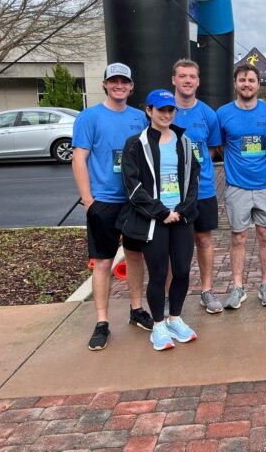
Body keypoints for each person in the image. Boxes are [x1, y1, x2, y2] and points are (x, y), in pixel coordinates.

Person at [72, 63, 152, 351]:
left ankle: (136, 310)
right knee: (103, 262)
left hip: (134, 201)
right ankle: (102, 322)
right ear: (105, 84)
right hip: (103, 201)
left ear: (131, 87)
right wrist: (88, 200)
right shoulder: (89, 117)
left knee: (134, 256)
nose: (119, 86)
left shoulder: (139, 118)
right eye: (114, 81)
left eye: (124, 82)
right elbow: (79, 158)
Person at [118, 89, 200, 351]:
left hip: (181, 218)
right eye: (161, 109)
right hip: (154, 219)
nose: (166, 114)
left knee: (183, 271)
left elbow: (193, 180)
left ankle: (174, 318)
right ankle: (158, 325)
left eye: (170, 110)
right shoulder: (135, 143)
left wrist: (182, 210)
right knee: (158, 273)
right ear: (149, 111)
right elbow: (132, 186)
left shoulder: (183, 141)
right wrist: (162, 212)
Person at [217, 64, 266, 310]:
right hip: (236, 187)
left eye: (251, 80)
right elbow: (220, 146)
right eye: (242, 80)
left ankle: (265, 285)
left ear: (258, 84)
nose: (247, 84)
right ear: (235, 83)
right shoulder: (223, 113)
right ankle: (238, 287)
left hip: (265, 186)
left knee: (265, 236)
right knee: (238, 237)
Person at [170, 59, 223, 313]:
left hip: (202, 190)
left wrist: (193, 172)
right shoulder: (165, 110)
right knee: (173, 243)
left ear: (198, 81)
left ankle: (207, 290)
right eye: (183, 76)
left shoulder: (208, 114)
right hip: (171, 193)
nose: (187, 80)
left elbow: (211, 149)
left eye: (192, 76)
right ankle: (171, 296)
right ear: (174, 80)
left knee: (204, 239)